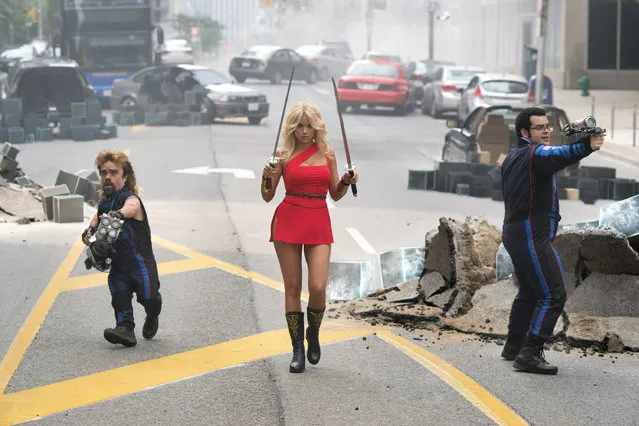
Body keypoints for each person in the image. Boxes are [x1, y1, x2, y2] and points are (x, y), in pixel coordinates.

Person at [500, 107, 605, 374]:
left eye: (548, 127)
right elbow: (558, 155)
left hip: (516, 232)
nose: (546, 131)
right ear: (525, 132)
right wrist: (587, 146)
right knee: (554, 293)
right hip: (530, 233)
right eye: (540, 128)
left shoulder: (515, 156)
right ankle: (530, 353)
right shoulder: (535, 154)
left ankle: (513, 346)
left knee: (529, 291)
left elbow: (553, 156)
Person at [261, 101, 359, 373]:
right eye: (299, 126)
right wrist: (266, 176)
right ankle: (297, 350)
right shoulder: (281, 154)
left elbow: (336, 194)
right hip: (289, 218)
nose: (304, 131)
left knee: (317, 286)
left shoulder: (327, 153)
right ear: (292, 128)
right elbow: (267, 195)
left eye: (309, 126)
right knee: (292, 288)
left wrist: (347, 181)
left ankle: (312, 332)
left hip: (318, 218)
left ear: (317, 127)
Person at [82, 150, 163, 348]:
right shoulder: (103, 203)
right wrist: (88, 232)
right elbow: (95, 219)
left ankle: (153, 315)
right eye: (104, 173)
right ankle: (125, 329)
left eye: (113, 172)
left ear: (124, 176)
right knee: (119, 294)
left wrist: (118, 214)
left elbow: (132, 207)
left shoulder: (130, 198)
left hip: (140, 263)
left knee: (149, 297)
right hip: (118, 265)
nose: (107, 177)